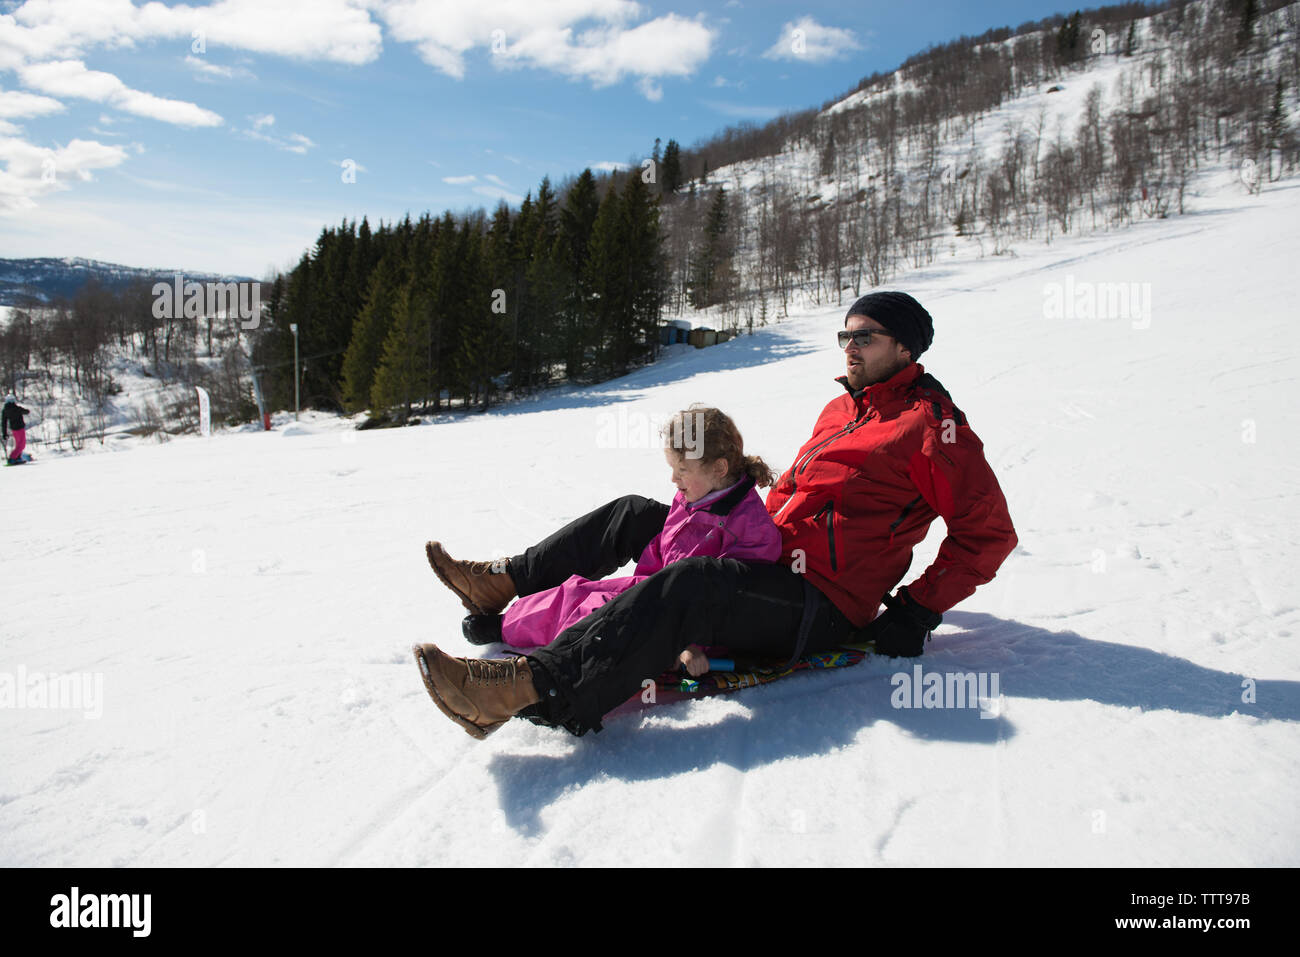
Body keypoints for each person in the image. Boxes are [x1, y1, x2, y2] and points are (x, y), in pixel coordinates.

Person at [414, 291, 1018, 740]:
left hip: (819, 601)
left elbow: (988, 533)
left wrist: (918, 608)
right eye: (845, 335)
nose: (849, 347)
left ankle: (529, 685)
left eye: (866, 336)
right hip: (764, 556)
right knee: (638, 514)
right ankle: (504, 582)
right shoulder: (844, 408)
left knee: (694, 583)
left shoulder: (930, 428)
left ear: (905, 348)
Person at [455, 406, 781, 679]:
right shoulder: (692, 497)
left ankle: (534, 663)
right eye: (672, 469)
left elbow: (733, 606)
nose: (673, 479)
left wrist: (691, 644)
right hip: (655, 590)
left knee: (600, 618)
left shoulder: (750, 529)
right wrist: (643, 585)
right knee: (579, 592)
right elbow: (661, 550)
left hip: (682, 623)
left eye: (682, 469)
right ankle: (507, 625)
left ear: (719, 468)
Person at [2, 394, 31, 464]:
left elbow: (4, 422)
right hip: (20, 428)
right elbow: (27, 411)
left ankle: (18, 458)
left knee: (18, 445)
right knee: (22, 445)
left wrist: (4, 433)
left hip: (14, 430)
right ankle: (12, 458)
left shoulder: (5, 410)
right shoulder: (16, 408)